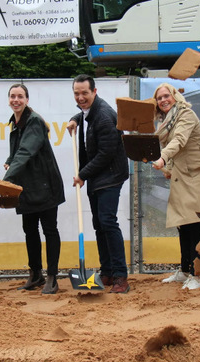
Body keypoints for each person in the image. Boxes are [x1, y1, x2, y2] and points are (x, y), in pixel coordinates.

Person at [150, 83, 200, 290]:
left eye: (166, 96)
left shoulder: (186, 115)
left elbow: (180, 141)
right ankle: (184, 270)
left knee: (196, 224)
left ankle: (196, 274)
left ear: (174, 96)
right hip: (182, 175)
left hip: (199, 176)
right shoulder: (166, 121)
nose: (163, 100)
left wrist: (162, 158)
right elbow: (173, 149)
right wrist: (166, 167)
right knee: (184, 225)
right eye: (159, 98)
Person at [66, 74, 130, 293]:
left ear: (95, 91)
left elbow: (106, 153)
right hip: (97, 177)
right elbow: (84, 113)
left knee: (107, 222)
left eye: (85, 92)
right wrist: (75, 118)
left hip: (110, 176)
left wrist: (82, 174)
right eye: (77, 93)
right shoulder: (89, 112)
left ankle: (121, 276)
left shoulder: (103, 116)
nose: (81, 97)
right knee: (99, 224)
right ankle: (108, 272)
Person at [3, 84, 65, 295]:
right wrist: (9, 161)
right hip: (26, 186)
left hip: (45, 185)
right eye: (12, 96)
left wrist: (7, 178)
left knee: (49, 230)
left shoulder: (35, 121)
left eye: (20, 96)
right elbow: (18, 151)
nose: (16, 100)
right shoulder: (15, 122)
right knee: (30, 230)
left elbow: (27, 150)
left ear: (27, 99)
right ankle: (35, 274)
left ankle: (52, 277)